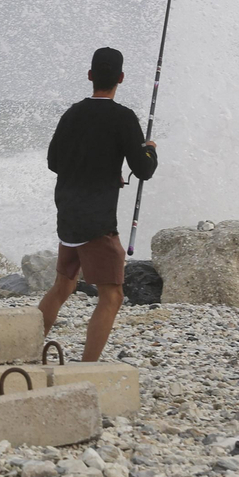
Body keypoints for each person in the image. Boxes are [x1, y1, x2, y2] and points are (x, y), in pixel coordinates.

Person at [39, 46, 158, 361]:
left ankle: (22, 349)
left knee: (63, 286)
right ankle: (86, 367)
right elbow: (144, 169)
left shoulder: (72, 113)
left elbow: (54, 162)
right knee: (113, 295)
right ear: (120, 78)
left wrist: (99, 169)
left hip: (68, 216)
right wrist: (150, 149)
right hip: (96, 224)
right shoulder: (123, 118)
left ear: (90, 76)